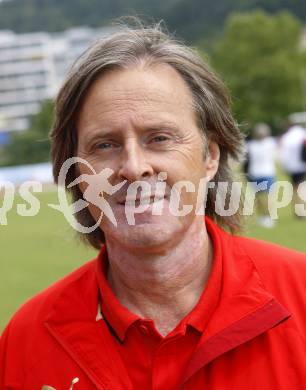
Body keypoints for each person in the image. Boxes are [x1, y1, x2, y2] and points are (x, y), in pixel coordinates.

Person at [0, 23, 305, 389]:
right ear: (76, 172)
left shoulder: (300, 295)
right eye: (105, 145)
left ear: (209, 156)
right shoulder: (26, 341)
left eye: (159, 138)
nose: (133, 166)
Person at [246, 123, 278, 228]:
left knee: (262, 197)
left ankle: (266, 216)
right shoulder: (269, 143)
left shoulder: (252, 145)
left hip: (259, 173)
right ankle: (265, 217)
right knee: (263, 197)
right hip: (262, 173)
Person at [280, 113, 306, 217]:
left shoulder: (287, 137)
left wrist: (284, 166)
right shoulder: (303, 133)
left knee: (295, 188)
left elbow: (284, 154)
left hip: (292, 166)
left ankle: (297, 209)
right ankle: (301, 209)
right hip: (303, 165)